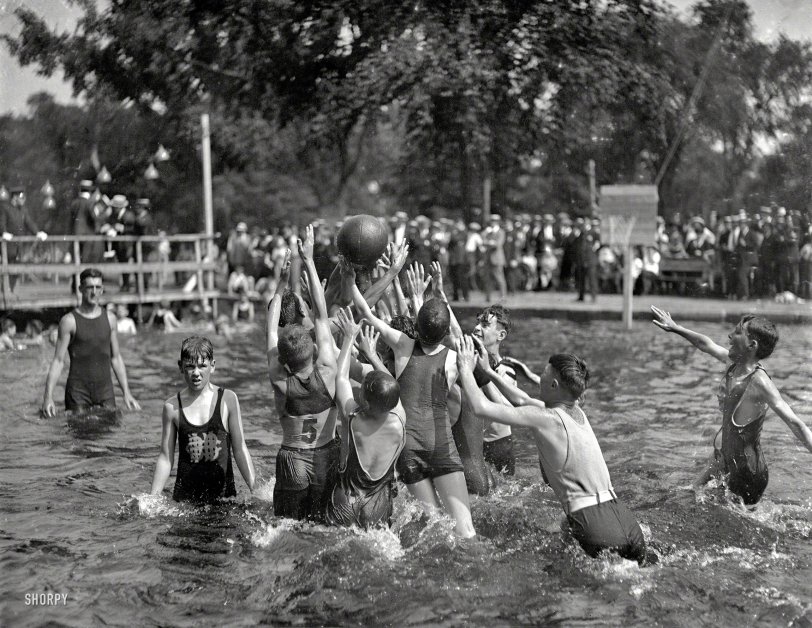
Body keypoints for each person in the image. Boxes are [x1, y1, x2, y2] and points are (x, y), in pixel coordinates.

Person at [456, 337, 647, 562]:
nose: (540, 380)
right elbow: (521, 399)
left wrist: (465, 366)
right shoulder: (577, 412)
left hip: (596, 527)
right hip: (627, 522)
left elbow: (480, 407)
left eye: (544, 375)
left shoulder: (546, 418)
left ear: (554, 385)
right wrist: (487, 370)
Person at [349, 262, 475, 538]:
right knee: (464, 530)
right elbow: (455, 337)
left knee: (433, 527)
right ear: (444, 335)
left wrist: (349, 277)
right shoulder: (455, 358)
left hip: (409, 449)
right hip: (441, 445)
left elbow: (366, 313)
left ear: (416, 326)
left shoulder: (403, 344)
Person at [651, 306, 812, 505]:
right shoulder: (733, 364)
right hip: (724, 457)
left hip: (748, 471)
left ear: (751, 345)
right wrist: (676, 328)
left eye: (737, 332)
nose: (729, 335)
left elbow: (795, 422)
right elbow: (706, 344)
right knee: (688, 496)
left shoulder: (760, 383)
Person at [266, 228, 340, 521]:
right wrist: (308, 260)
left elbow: (272, 331)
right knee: (323, 525)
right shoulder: (330, 371)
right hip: (325, 456)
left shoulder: (279, 381)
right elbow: (321, 316)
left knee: (284, 526)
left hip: (293, 459)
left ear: (283, 358)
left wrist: (281, 284)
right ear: (313, 350)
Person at [325, 307, 406, 528]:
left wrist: (349, 338)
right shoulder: (400, 418)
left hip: (346, 501)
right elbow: (393, 386)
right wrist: (371, 354)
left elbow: (340, 376)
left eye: (362, 390)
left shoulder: (352, 416)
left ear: (367, 403)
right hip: (378, 505)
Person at [150, 336, 256, 502]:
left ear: (213, 366)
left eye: (202, 366)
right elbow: (165, 457)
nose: (196, 373)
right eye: (190, 367)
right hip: (185, 502)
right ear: (180, 367)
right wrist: (153, 498)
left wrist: (254, 488)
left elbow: (240, 448)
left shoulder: (228, 399)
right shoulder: (172, 407)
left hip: (224, 499)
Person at [41, 268, 140, 416]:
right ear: (80, 289)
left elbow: (116, 358)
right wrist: (48, 397)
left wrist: (127, 392)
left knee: (111, 435)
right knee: (80, 436)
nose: (94, 292)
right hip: (78, 393)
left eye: (98, 287)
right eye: (89, 287)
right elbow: (58, 361)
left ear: (102, 289)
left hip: (105, 392)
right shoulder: (69, 321)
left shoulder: (111, 319)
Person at [474, 305, 518, 476]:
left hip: (499, 446)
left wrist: (484, 374)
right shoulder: (471, 360)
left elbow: (506, 412)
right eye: (477, 323)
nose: (477, 328)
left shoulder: (506, 370)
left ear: (501, 335)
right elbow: (453, 333)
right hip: (476, 443)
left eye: (485, 325)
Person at [1, 186, 48, 291]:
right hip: (7, 246)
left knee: (16, 270)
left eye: (24, 197)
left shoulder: (23, 210)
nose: (23, 199)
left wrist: (37, 233)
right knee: (5, 269)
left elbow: (29, 222)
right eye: (21, 197)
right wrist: (3, 233)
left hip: (18, 246)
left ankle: (10, 291)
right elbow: (1, 222)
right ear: (15, 197)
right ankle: (4, 292)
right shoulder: (5, 208)